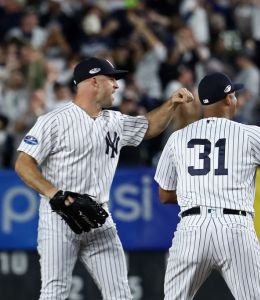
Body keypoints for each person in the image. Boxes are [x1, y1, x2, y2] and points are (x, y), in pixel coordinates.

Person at [14, 57, 193, 300]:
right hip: (58, 218)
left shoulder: (114, 121)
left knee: (119, 293)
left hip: (99, 216)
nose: (117, 86)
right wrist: (55, 194)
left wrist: (171, 103)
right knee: (55, 292)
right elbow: (23, 163)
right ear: (94, 81)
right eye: (112, 79)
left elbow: (148, 127)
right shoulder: (53, 121)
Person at [154, 72, 260, 299]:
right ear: (227, 99)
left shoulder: (178, 138)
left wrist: (201, 191)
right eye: (234, 95)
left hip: (192, 228)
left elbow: (165, 195)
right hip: (235, 226)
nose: (236, 100)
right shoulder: (249, 133)